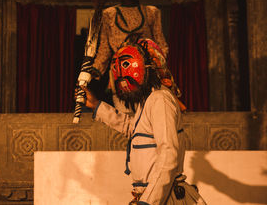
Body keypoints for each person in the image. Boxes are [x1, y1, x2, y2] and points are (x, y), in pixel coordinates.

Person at [78, 38, 206, 205]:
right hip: (151, 197)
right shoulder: (147, 100)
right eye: (116, 68)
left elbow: (168, 155)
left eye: (125, 65)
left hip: (165, 199)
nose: (120, 74)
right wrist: (96, 105)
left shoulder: (160, 99)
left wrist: (147, 201)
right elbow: (134, 128)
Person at [91, 0, 172, 113]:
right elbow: (104, 50)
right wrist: (93, 71)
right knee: (126, 118)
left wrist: (157, 63)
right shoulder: (109, 15)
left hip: (147, 76)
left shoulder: (152, 12)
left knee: (149, 116)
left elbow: (161, 45)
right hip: (120, 74)